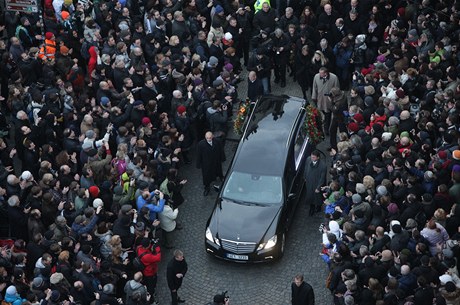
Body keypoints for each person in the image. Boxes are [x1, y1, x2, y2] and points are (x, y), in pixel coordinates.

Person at [311, 67, 340, 136]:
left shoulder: (334, 78)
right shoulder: (316, 76)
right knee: (322, 111)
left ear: (325, 73)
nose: (319, 74)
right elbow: (314, 87)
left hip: (328, 100)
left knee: (328, 114)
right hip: (320, 99)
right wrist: (314, 97)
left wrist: (335, 98)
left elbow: (337, 89)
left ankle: (326, 129)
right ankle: (325, 122)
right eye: (319, 72)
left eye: (321, 73)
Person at [196, 131, 226, 196]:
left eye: (210, 137)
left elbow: (221, 150)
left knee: (218, 170)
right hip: (206, 163)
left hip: (216, 160)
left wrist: (222, 158)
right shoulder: (201, 144)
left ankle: (221, 177)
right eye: (207, 138)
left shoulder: (217, 141)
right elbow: (199, 154)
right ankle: (207, 187)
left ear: (212, 136)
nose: (209, 139)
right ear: (205, 137)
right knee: (206, 175)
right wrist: (198, 164)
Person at [136, 238, 161, 305]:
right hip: (150, 272)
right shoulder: (147, 256)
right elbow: (158, 258)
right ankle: (151, 299)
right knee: (151, 286)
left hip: (144, 271)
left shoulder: (139, 248)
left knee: (148, 283)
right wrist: (158, 249)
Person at [304, 150, 327, 216]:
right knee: (310, 196)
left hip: (317, 183)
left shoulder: (323, 166)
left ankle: (319, 207)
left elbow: (322, 178)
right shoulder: (308, 159)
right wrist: (305, 177)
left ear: (318, 157)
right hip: (309, 182)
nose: (312, 158)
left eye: (313, 157)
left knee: (318, 197)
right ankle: (312, 208)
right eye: (311, 157)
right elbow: (306, 168)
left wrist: (318, 187)